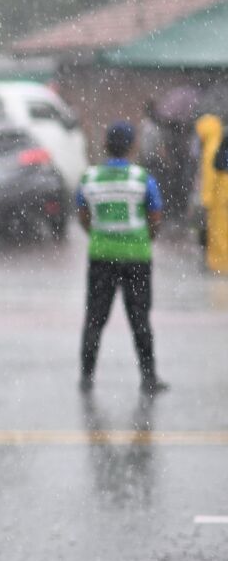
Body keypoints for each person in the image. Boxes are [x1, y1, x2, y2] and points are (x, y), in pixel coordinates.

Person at [78, 121, 168, 395]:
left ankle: (86, 377)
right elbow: (155, 217)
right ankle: (149, 378)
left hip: (101, 257)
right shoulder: (142, 179)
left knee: (95, 318)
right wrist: (143, 239)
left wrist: (99, 236)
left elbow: (83, 216)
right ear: (131, 146)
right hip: (136, 258)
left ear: (106, 145)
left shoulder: (90, 178)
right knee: (139, 318)